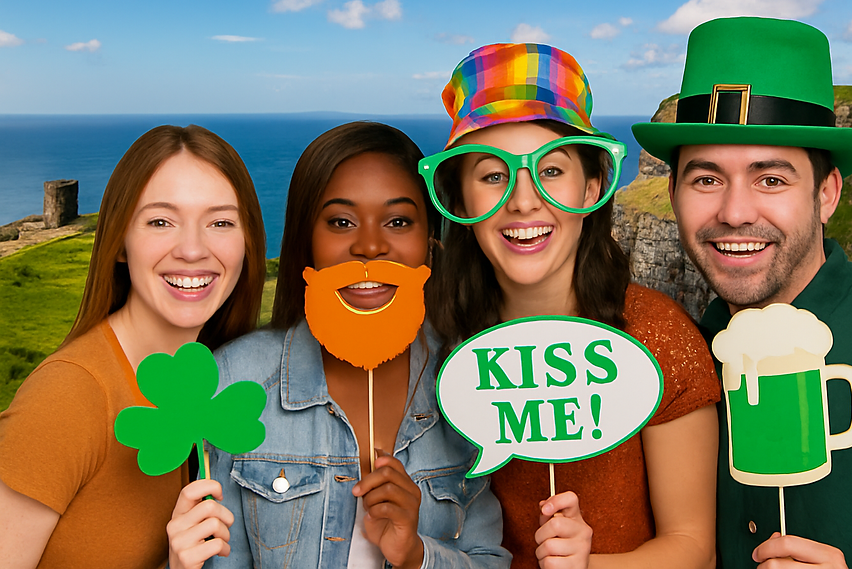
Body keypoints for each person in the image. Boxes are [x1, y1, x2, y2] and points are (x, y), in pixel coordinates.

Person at [632, 16, 852, 569]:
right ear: (671, 192)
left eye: (771, 179)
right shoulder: (678, 367)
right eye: (706, 179)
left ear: (826, 194)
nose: (735, 212)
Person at [423, 43, 720, 569]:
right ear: (460, 197)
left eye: (552, 170)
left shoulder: (658, 336)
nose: (523, 199)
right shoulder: (430, 339)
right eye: (493, 175)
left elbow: (694, 548)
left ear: (594, 185)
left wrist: (588, 565)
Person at [167, 121, 510, 569]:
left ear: (430, 242)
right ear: (307, 240)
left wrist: (417, 554)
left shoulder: (471, 377)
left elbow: (490, 559)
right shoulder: (234, 378)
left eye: (399, 221)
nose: (369, 245)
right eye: (341, 221)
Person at [0, 124, 266, 569]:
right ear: (120, 241)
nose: (192, 249)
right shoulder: (67, 398)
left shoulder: (225, 386)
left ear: (247, 242)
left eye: (220, 222)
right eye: (161, 221)